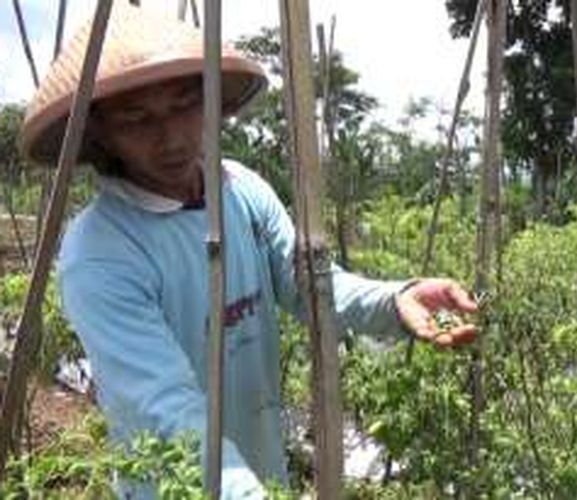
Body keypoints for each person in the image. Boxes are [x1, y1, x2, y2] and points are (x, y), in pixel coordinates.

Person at [19, 4, 478, 498]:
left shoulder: (240, 190)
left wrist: (395, 299)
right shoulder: (100, 252)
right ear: (99, 132)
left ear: (210, 100)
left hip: (262, 472)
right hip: (179, 488)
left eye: (183, 104)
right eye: (136, 118)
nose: (171, 137)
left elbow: (310, 286)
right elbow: (166, 408)